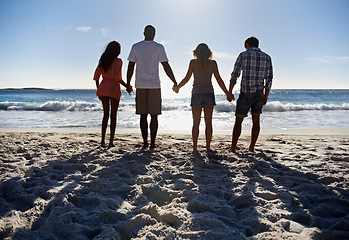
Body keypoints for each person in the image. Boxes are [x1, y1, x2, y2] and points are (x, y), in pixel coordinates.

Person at [173, 43, 234, 151]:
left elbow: (187, 78)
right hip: (209, 93)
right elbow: (219, 80)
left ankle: (195, 147)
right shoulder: (213, 63)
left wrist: (178, 87)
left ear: (196, 52)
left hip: (196, 93)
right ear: (208, 53)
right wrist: (227, 93)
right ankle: (208, 146)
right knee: (208, 122)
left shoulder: (193, 62)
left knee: (196, 123)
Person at [127, 25, 177, 149]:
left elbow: (130, 67)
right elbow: (166, 66)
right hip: (154, 85)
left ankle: (145, 143)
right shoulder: (159, 47)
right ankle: (152, 144)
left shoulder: (135, 46)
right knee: (154, 116)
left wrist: (128, 83)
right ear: (154, 34)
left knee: (143, 116)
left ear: (144, 33)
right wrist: (174, 81)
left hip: (140, 85)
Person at [229, 36, 273, 152]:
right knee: (256, 120)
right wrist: (266, 97)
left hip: (246, 92)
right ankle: (251, 147)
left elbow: (235, 75)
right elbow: (269, 80)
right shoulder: (267, 57)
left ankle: (233, 147)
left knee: (238, 120)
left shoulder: (243, 55)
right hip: (259, 93)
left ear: (247, 45)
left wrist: (230, 92)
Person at [93, 41, 132, 148]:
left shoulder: (103, 61)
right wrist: (127, 86)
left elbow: (96, 76)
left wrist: (99, 89)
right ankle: (111, 142)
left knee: (105, 115)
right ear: (117, 51)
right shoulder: (118, 61)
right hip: (114, 88)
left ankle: (102, 141)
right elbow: (118, 78)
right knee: (113, 116)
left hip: (104, 87)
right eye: (119, 49)